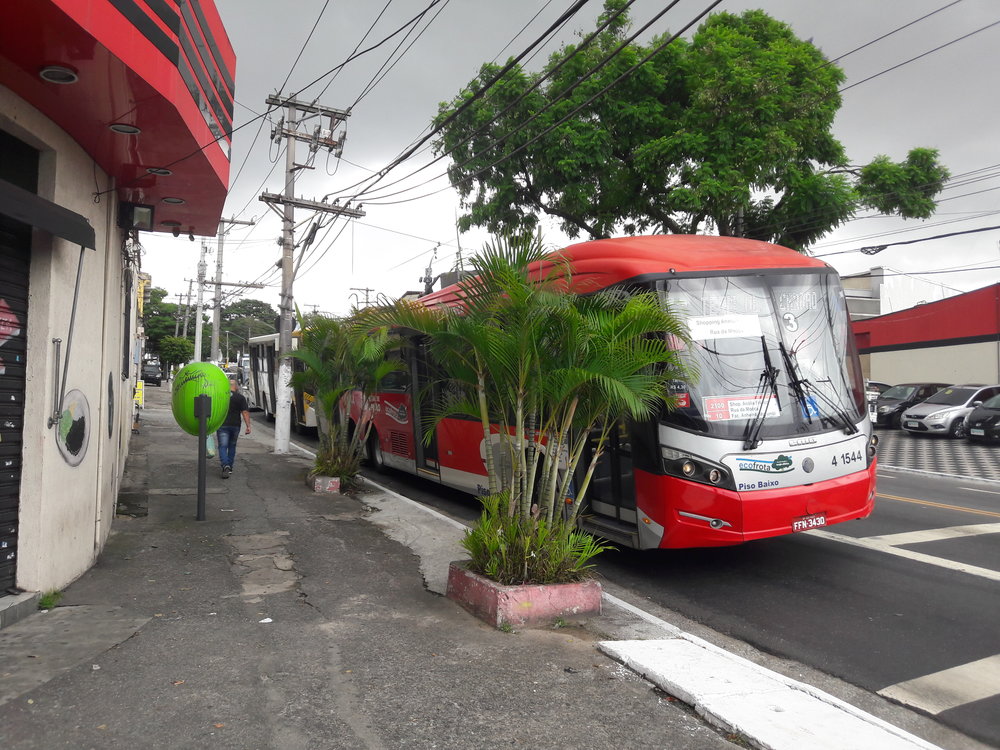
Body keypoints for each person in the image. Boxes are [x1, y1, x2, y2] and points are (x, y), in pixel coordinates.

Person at [217, 377, 251, 478]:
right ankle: (230, 467)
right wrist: (248, 426)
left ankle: (225, 465)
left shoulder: (221, 396)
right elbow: (245, 412)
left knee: (222, 446)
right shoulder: (240, 398)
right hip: (235, 425)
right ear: (236, 387)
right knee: (232, 446)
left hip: (222, 425)